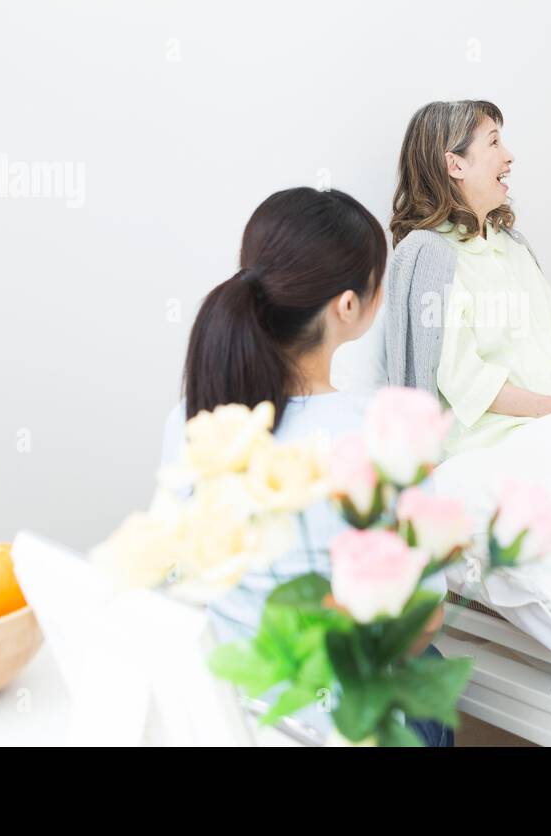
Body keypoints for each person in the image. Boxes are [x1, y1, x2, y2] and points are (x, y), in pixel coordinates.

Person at [166, 186, 451, 746]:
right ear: (348, 307)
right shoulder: (385, 436)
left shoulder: (191, 418)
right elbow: (421, 625)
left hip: (231, 715)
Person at [384, 99, 551, 456]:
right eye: (494, 142)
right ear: (456, 164)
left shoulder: (513, 246)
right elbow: (464, 381)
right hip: (498, 438)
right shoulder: (429, 255)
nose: (509, 157)